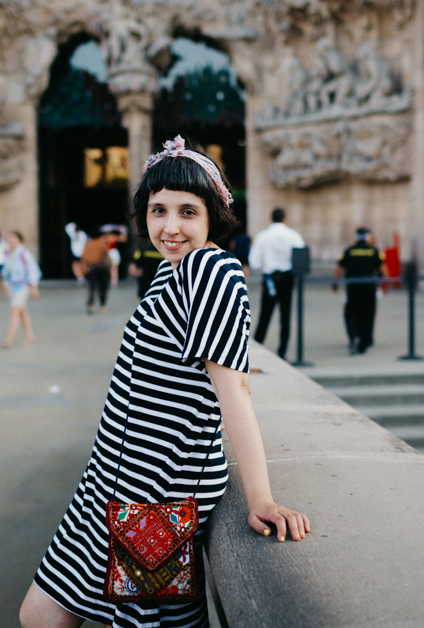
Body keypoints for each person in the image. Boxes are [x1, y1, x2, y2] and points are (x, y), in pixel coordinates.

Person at [20, 135, 309, 628]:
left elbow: (233, 389)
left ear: (213, 215)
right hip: (109, 481)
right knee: (41, 614)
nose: (170, 227)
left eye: (187, 212)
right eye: (158, 211)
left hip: (156, 494)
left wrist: (260, 497)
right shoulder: (170, 271)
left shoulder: (213, 272)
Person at [249, 208, 305, 359]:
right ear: (285, 218)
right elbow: (300, 257)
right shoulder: (293, 235)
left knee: (265, 315)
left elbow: (254, 262)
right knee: (285, 316)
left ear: (270, 218)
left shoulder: (263, 236)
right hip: (287, 278)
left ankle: (257, 348)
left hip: (269, 278)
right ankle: (282, 351)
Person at [332, 227, 387, 355]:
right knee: (368, 314)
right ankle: (365, 340)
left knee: (350, 313)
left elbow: (340, 269)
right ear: (368, 237)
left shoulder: (349, 250)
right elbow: (383, 270)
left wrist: (335, 284)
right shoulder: (374, 251)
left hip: (353, 287)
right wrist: (387, 284)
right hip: (369, 287)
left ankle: (354, 336)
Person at [1, 231, 41, 348]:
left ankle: (9, 339)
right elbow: (5, 272)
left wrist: (34, 287)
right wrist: (6, 286)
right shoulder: (8, 254)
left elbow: (33, 269)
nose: (11, 242)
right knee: (22, 311)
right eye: (9, 239)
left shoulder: (24, 253)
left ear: (19, 240)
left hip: (23, 286)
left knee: (14, 310)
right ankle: (30, 335)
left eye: (13, 239)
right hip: (14, 286)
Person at [79, 231, 117, 314]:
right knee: (103, 287)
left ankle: (90, 305)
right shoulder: (102, 243)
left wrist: (83, 269)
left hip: (90, 268)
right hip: (101, 268)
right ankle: (102, 305)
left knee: (92, 287)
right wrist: (109, 267)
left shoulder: (88, 244)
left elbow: (83, 258)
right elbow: (106, 256)